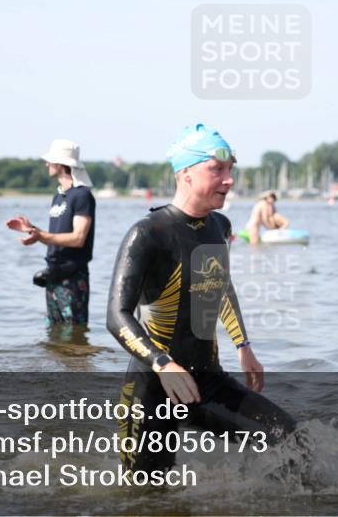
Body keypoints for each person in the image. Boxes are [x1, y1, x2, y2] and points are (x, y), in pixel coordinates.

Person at [106, 123, 296, 473]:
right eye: (217, 169)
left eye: (230, 170)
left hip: (208, 381)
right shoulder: (148, 234)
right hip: (154, 390)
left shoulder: (218, 227)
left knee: (289, 439)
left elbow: (220, 284)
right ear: (186, 174)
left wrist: (244, 346)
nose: (229, 180)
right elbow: (117, 316)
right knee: (146, 497)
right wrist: (163, 364)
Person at [7, 139, 96, 327]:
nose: (47, 164)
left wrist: (42, 236)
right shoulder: (58, 196)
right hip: (54, 275)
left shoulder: (82, 195)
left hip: (73, 277)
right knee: (54, 335)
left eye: (50, 160)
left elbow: (78, 238)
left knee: (73, 332)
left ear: (61, 164)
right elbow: (57, 237)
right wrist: (34, 231)